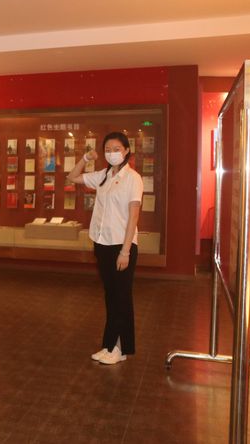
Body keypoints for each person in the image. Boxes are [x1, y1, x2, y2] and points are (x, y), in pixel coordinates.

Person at [67, 132, 143, 365]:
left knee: (121, 297)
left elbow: (133, 216)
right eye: (107, 149)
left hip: (122, 245)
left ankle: (120, 348)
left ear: (126, 150)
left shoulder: (133, 178)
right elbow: (72, 177)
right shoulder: (103, 175)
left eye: (116, 149)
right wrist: (85, 158)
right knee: (111, 296)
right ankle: (109, 345)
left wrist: (125, 251)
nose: (112, 153)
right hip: (102, 243)